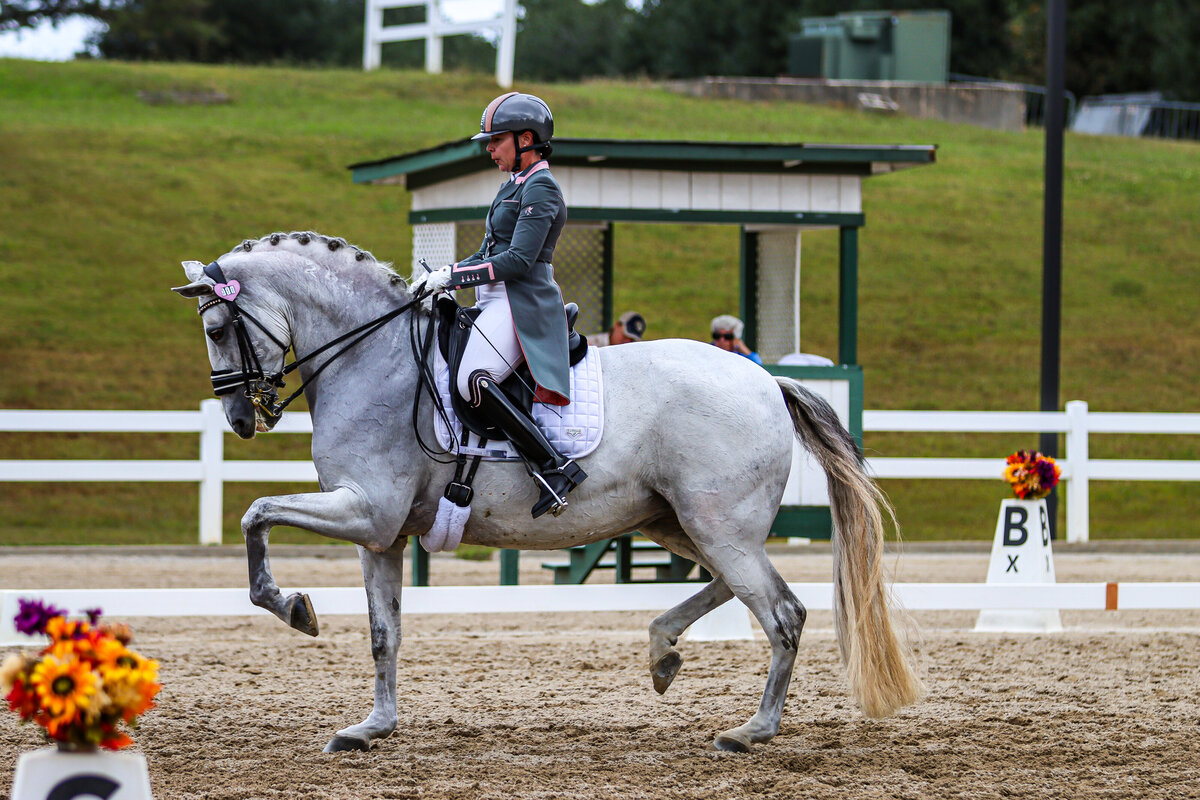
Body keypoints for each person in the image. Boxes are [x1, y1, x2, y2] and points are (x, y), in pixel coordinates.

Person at [412, 92, 585, 519]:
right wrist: (446, 273)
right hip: (494, 300)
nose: (488, 148)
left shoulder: (542, 188)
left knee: (473, 378)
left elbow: (518, 261)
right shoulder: (515, 185)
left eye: (496, 140)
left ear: (526, 139)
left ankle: (553, 466)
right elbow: (489, 251)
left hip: (522, 302)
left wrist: (454, 277)